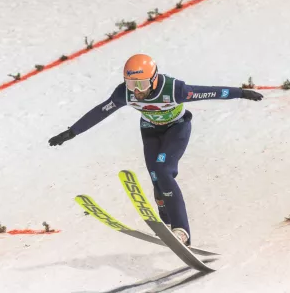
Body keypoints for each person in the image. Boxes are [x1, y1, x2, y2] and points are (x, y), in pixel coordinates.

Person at [48, 54, 263, 246]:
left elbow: (209, 92)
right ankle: (166, 220)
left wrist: (241, 93)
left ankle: (182, 231)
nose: (136, 90)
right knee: (156, 180)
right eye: (131, 83)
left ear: (153, 79)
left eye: (140, 83)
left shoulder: (173, 90)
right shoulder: (125, 94)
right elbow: (100, 112)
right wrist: (71, 132)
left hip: (176, 129)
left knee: (163, 170)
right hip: (150, 131)